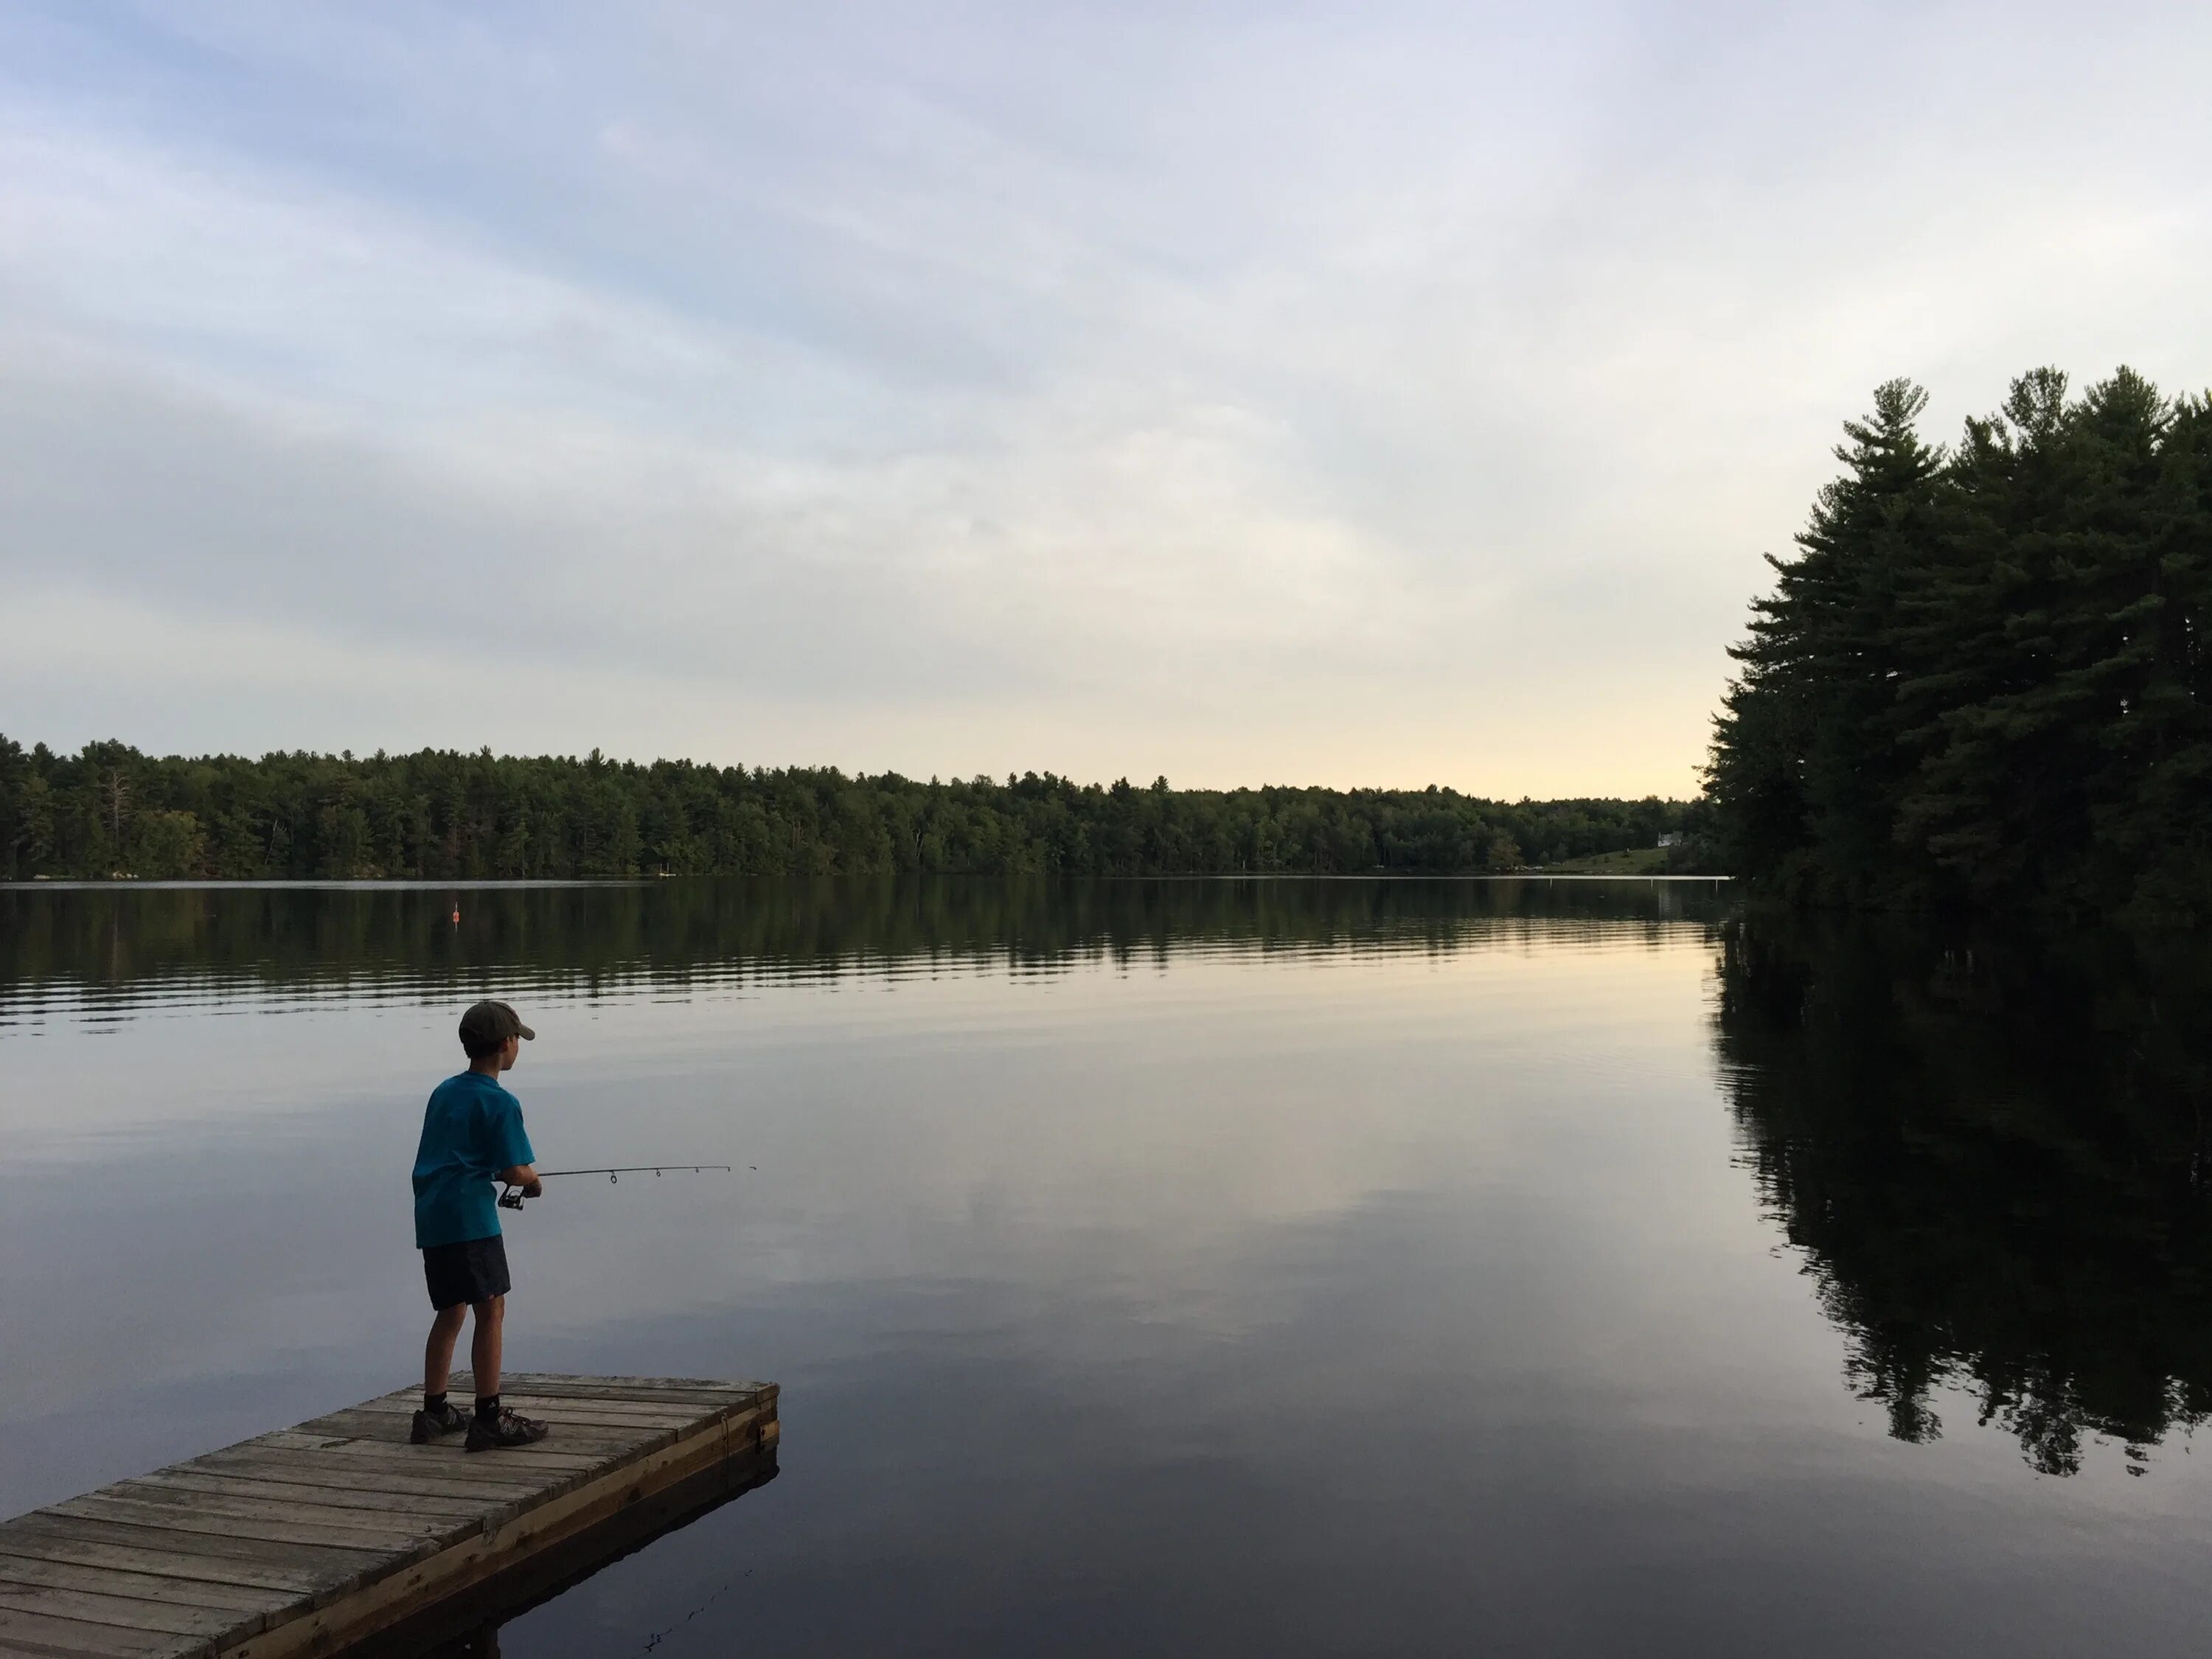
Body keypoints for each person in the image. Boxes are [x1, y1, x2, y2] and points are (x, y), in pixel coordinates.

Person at [411, 1000, 552, 1450]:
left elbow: (458, 1151)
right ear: (506, 1045)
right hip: (471, 1219)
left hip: (433, 1214)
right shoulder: (501, 1101)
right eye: (517, 1040)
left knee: (451, 1310)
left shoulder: (444, 1092)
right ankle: (489, 1416)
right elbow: (515, 1170)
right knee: (491, 1308)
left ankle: (434, 1412)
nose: (518, 1047)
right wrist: (533, 1183)